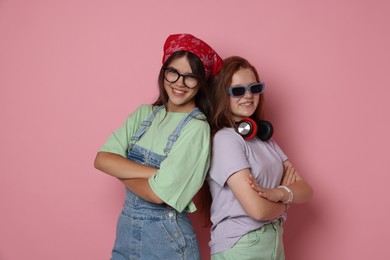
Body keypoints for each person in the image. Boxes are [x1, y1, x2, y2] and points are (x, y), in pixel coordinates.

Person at [94, 33, 222, 260]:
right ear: (164, 73)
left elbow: (156, 195)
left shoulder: (196, 128)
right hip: (126, 232)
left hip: (168, 241)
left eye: (190, 77)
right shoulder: (144, 114)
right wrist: (156, 173)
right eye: (173, 72)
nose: (179, 83)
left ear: (200, 83)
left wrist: (120, 169)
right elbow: (102, 159)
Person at [207, 56, 313, 259]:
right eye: (238, 90)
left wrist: (279, 192)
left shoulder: (263, 139)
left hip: (272, 241)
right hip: (243, 244)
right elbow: (258, 211)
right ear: (223, 95)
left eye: (254, 88)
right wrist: (287, 202)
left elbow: (307, 190)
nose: (248, 96)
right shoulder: (226, 140)